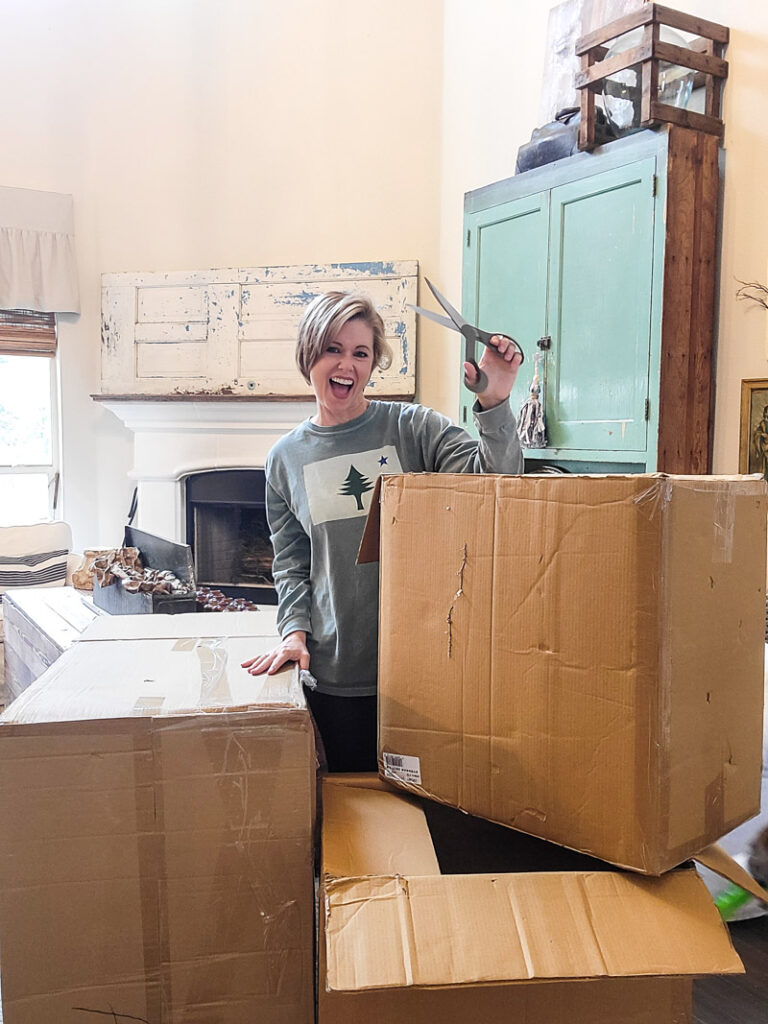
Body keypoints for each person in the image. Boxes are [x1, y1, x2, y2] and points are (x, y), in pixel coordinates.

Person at [242, 290, 523, 771]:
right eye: (333, 348)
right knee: (355, 814)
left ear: (373, 364)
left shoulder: (414, 429)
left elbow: (496, 485)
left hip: (421, 672)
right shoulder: (284, 459)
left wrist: (494, 402)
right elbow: (291, 564)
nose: (346, 365)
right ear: (309, 353)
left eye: (361, 353)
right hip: (337, 675)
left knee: (422, 817)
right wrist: (294, 632)